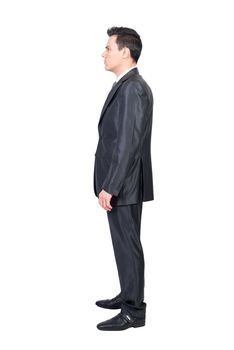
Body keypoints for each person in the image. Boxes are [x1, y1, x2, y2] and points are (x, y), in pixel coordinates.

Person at [93, 27, 154, 331]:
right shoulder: (126, 85)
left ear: (125, 52)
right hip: (123, 184)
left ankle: (134, 312)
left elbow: (128, 144)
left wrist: (110, 186)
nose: (103, 53)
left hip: (124, 185)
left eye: (108, 48)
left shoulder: (133, 88)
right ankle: (128, 294)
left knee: (128, 245)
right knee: (123, 243)